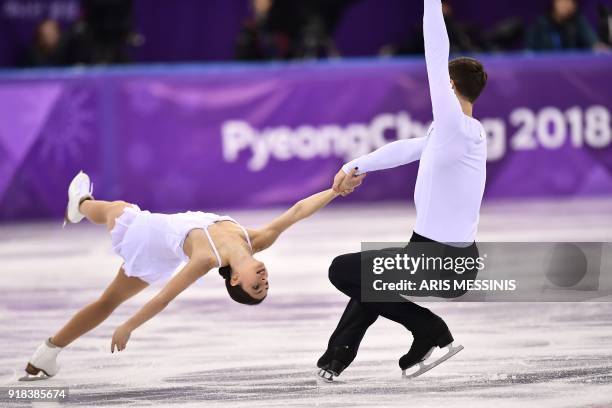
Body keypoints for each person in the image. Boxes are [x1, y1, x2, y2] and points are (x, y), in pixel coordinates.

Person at [20, 170, 365, 381]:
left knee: (118, 211)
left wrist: (129, 326)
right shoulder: (256, 240)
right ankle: (46, 355)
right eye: (266, 283)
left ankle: (79, 205)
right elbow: (297, 212)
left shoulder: (205, 258)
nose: (263, 278)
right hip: (161, 250)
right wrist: (336, 190)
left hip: (146, 236)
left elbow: (164, 297)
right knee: (107, 299)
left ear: (234, 280)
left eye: (256, 286)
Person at [317, 0, 488, 381]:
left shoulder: (454, 128)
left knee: (341, 270)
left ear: (449, 85)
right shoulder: (457, 135)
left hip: (441, 261)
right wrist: (352, 166)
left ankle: (430, 329)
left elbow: (435, 49)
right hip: (446, 257)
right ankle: (336, 356)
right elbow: (404, 149)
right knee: (371, 277)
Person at [526, 0, 603, 51]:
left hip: (570, 68)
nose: (567, 5)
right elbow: (529, 50)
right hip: (546, 68)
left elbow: (592, 41)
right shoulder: (541, 23)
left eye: (571, 2)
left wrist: (599, 48)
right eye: (563, 1)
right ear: (555, 2)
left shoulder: (578, 22)